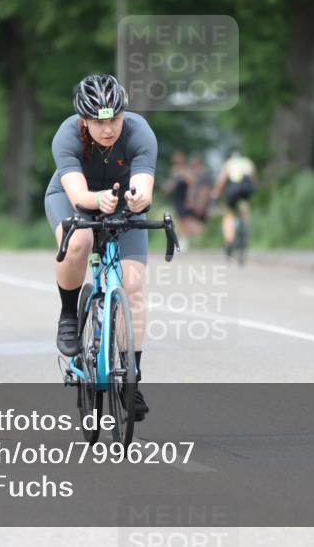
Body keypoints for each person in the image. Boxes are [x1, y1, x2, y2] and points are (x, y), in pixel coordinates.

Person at [45, 74, 156, 419]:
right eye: (98, 121)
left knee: (133, 284)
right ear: (84, 120)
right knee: (78, 240)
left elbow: (144, 186)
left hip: (120, 200)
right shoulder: (66, 136)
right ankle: (68, 314)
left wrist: (137, 200)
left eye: (114, 120)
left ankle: (131, 379)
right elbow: (78, 195)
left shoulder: (140, 133)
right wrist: (96, 200)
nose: (108, 129)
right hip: (74, 196)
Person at [211, 150, 257, 258]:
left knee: (229, 214)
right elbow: (254, 180)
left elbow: (222, 180)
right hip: (247, 188)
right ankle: (244, 230)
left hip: (234, 189)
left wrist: (216, 193)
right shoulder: (247, 162)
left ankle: (230, 240)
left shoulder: (229, 163)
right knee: (245, 209)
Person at [161, 150, 194, 248]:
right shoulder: (174, 170)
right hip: (176, 198)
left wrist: (190, 198)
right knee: (178, 219)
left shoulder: (186, 170)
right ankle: (180, 239)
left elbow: (191, 184)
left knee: (184, 220)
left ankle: (184, 240)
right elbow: (172, 183)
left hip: (184, 198)